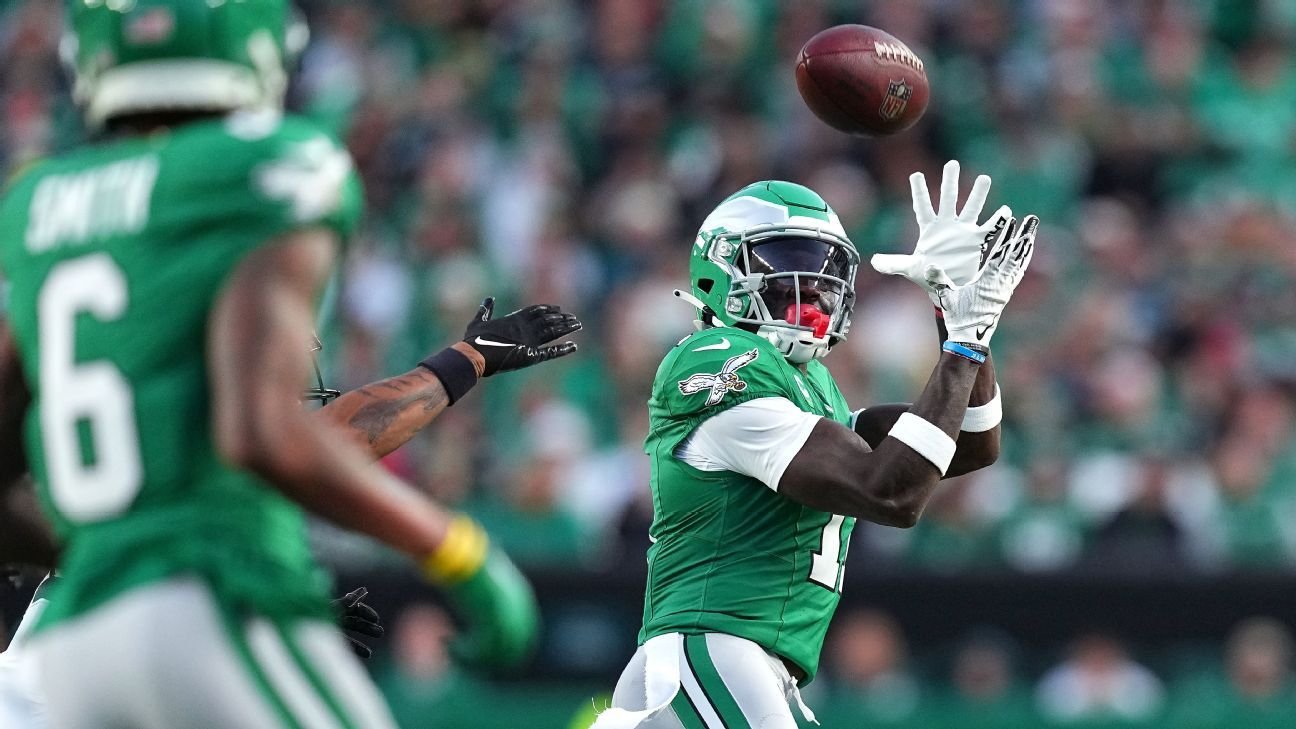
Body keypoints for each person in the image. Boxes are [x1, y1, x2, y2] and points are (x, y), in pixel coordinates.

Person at [0, 1, 580, 727]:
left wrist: (106, 550)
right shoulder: (262, 172)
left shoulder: (42, 206)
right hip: (195, 606)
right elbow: (273, 436)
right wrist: (459, 552)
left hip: (61, 650)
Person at [593, 162, 1039, 728]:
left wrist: (958, 319)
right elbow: (890, 494)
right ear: (719, 271)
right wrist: (964, 345)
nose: (813, 284)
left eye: (825, 267)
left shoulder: (812, 386)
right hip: (707, 649)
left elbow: (970, 442)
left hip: (747, 664)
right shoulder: (718, 358)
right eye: (787, 262)